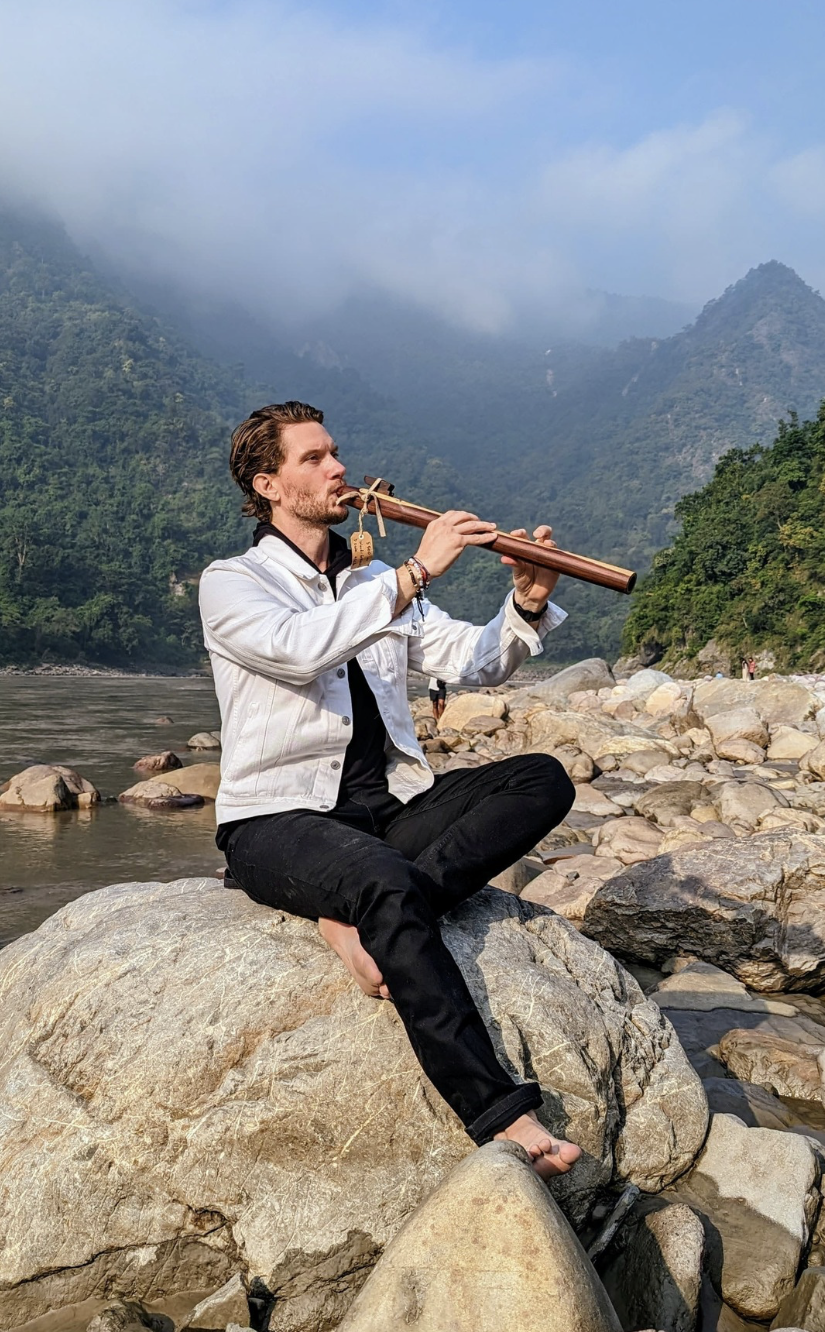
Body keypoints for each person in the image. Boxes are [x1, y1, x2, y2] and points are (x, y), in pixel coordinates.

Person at [199, 401, 581, 1180]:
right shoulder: (233, 584)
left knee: (541, 779)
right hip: (278, 819)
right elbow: (298, 651)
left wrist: (529, 601)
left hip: (389, 810)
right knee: (380, 878)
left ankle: (369, 915)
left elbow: (472, 663)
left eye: (335, 453)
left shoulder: (373, 576)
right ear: (268, 484)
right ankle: (501, 1115)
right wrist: (415, 573)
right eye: (314, 459)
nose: (338, 469)